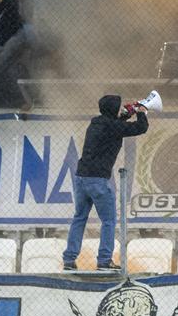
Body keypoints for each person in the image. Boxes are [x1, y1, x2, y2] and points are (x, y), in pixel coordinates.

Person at [62, 94, 148, 271]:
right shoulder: (112, 126)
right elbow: (140, 128)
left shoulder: (95, 123)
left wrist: (125, 115)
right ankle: (104, 260)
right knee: (108, 220)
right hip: (98, 180)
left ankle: (69, 260)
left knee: (79, 217)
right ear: (113, 109)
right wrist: (141, 112)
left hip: (81, 177)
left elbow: (114, 126)